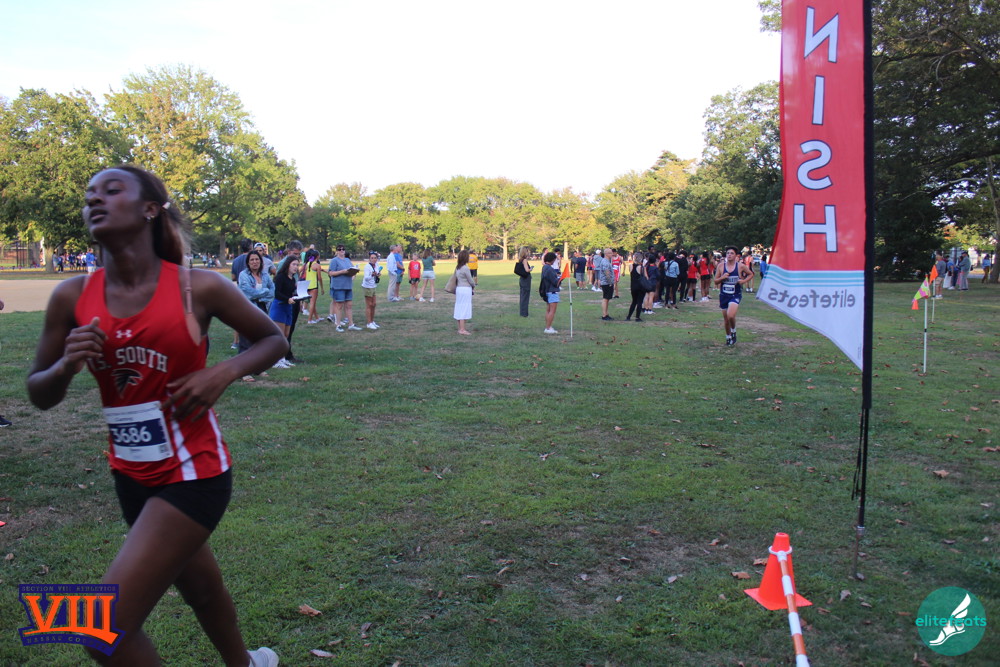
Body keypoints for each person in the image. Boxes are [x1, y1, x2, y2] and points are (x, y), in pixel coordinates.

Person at [26, 166, 284, 667]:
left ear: (150, 209)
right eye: (89, 194)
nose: (94, 199)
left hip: (194, 472)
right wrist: (65, 365)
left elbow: (272, 339)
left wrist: (223, 372)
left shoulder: (196, 288)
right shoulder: (72, 296)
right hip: (131, 475)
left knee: (99, 629)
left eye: (111, 190)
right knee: (202, 590)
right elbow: (40, 394)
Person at [236, 250, 275, 377]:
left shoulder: (265, 274)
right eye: (252, 260)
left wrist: (261, 294)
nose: (255, 262)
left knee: (259, 340)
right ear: (248, 262)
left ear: (261, 261)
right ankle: (244, 371)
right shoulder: (243, 275)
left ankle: (258, 368)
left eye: (257, 259)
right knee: (246, 340)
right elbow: (248, 292)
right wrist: (264, 292)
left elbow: (272, 290)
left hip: (262, 309)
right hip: (247, 309)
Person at [714, 245, 754, 346]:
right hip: (724, 295)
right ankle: (728, 337)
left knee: (731, 315)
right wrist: (722, 277)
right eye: (728, 253)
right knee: (726, 319)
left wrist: (743, 281)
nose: (729, 255)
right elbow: (715, 281)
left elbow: (751, 274)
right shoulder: (721, 266)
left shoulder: (740, 266)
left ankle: (733, 331)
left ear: (736, 256)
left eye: (732, 253)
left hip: (735, 294)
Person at [269, 254, 301, 368]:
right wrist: (287, 299)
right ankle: (276, 360)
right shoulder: (280, 277)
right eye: (294, 264)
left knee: (286, 334)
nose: (296, 267)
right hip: (279, 306)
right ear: (288, 265)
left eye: (297, 265)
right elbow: (277, 293)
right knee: (280, 335)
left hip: (288, 307)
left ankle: (282, 358)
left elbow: (291, 292)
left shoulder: (292, 279)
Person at [326, 245, 361, 332]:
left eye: (343, 249)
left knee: (349, 305)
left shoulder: (347, 260)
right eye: (339, 249)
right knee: (339, 305)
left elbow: (352, 269)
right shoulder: (334, 260)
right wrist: (342, 272)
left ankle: (351, 324)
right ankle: (338, 325)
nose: (341, 250)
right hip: (338, 286)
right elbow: (330, 273)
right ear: (337, 251)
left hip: (348, 286)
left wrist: (354, 273)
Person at [452, 249, 476, 335]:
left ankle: (460, 328)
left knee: (459, 307)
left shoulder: (458, 267)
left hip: (459, 289)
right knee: (464, 308)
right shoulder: (465, 268)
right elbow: (470, 280)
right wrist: (473, 285)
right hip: (465, 289)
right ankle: (462, 329)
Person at [539, 251, 563, 334]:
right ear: (552, 259)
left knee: (548, 310)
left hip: (547, 291)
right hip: (552, 291)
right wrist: (561, 278)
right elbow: (555, 282)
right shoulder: (550, 269)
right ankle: (548, 328)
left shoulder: (545, 267)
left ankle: (548, 326)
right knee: (552, 311)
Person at [361, 250, 382, 330]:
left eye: (375, 258)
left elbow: (377, 273)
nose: (373, 259)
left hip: (373, 286)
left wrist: (378, 274)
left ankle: (372, 321)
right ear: (369, 259)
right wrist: (372, 275)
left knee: (374, 304)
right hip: (367, 287)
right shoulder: (367, 267)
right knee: (369, 305)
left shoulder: (376, 265)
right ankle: (369, 323)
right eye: (372, 258)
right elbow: (366, 278)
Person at [303, 249, 323, 324]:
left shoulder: (307, 264)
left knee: (312, 303)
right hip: (314, 285)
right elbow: (319, 278)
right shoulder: (317, 265)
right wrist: (322, 288)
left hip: (307, 285)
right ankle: (310, 319)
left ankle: (317, 318)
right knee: (312, 303)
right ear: (317, 256)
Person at [626, 251, 647, 322]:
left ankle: (628, 316)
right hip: (640, 287)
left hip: (633, 286)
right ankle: (637, 317)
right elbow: (646, 276)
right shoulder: (641, 267)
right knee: (640, 302)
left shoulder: (631, 266)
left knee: (634, 301)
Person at [515, 246, 533, 317]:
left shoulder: (520, 259)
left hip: (522, 279)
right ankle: (524, 313)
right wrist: (531, 269)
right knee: (525, 296)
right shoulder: (525, 260)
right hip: (526, 280)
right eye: (527, 251)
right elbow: (527, 270)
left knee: (522, 296)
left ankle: (522, 312)